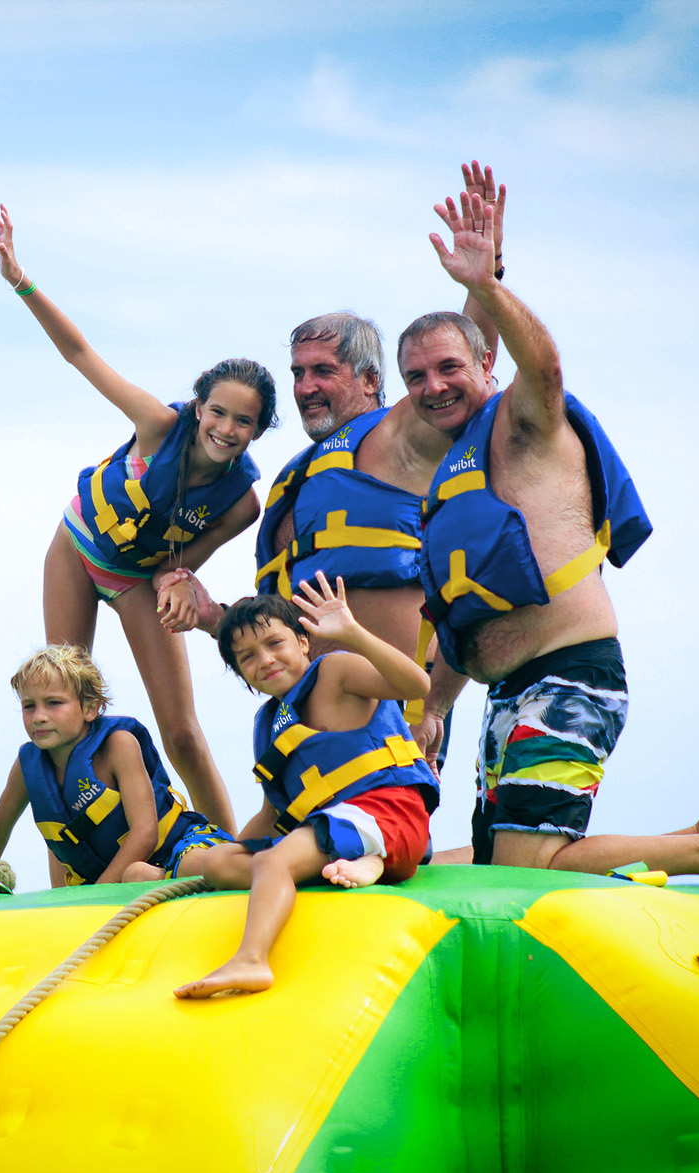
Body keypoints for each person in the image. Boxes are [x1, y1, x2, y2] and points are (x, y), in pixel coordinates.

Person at [406, 187, 699, 900]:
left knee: (522, 870)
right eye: (416, 376)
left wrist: (487, 287)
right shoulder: (456, 477)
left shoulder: (524, 422)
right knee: (495, 863)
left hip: (569, 676)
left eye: (449, 368)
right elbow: (465, 611)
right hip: (508, 694)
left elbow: (546, 367)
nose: (433, 386)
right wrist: (433, 708)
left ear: (486, 368)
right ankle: (697, 833)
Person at [165, 162, 508, 751]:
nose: (304, 387)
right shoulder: (300, 480)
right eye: (298, 373)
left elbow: (458, 370)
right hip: (308, 727)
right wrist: (213, 615)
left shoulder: (401, 437)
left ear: (372, 380)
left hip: (395, 718)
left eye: (323, 371)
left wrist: (485, 281)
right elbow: (281, 628)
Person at [0, 204, 281, 833]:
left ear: (257, 431)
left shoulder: (242, 503)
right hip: (76, 551)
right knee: (62, 718)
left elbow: (179, 565)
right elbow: (79, 353)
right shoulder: (159, 425)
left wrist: (181, 586)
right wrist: (20, 281)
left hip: (136, 576)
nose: (227, 429)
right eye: (218, 413)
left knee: (181, 732)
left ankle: (232, 854)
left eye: (244, 422)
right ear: (198, 408)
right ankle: (69, 871)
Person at [176, 582, 438, 999]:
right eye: (247, 656)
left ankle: (252, 960)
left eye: (274, 643)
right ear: (241, 674)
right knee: (220, 862)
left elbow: (416, 686)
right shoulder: (270, 725)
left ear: (302, 641)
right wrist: (228, 851)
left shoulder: (335, 672)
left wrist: (353, 633)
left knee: (273, 862)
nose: (265, 659)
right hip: (335, 830)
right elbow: (271, 814)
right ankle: (352, 864)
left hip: (389, 815)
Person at [0, 645, 232, 887]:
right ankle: (148, 879)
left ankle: (224, 867)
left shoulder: (118, 745)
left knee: (185, 866)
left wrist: (100, 893)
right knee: (135, 874)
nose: (39, 717)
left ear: (90, 708)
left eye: (53, 703)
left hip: (177, 848)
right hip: (115, 877)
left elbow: (145, 833)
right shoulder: (27, 767)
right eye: (29, 706)